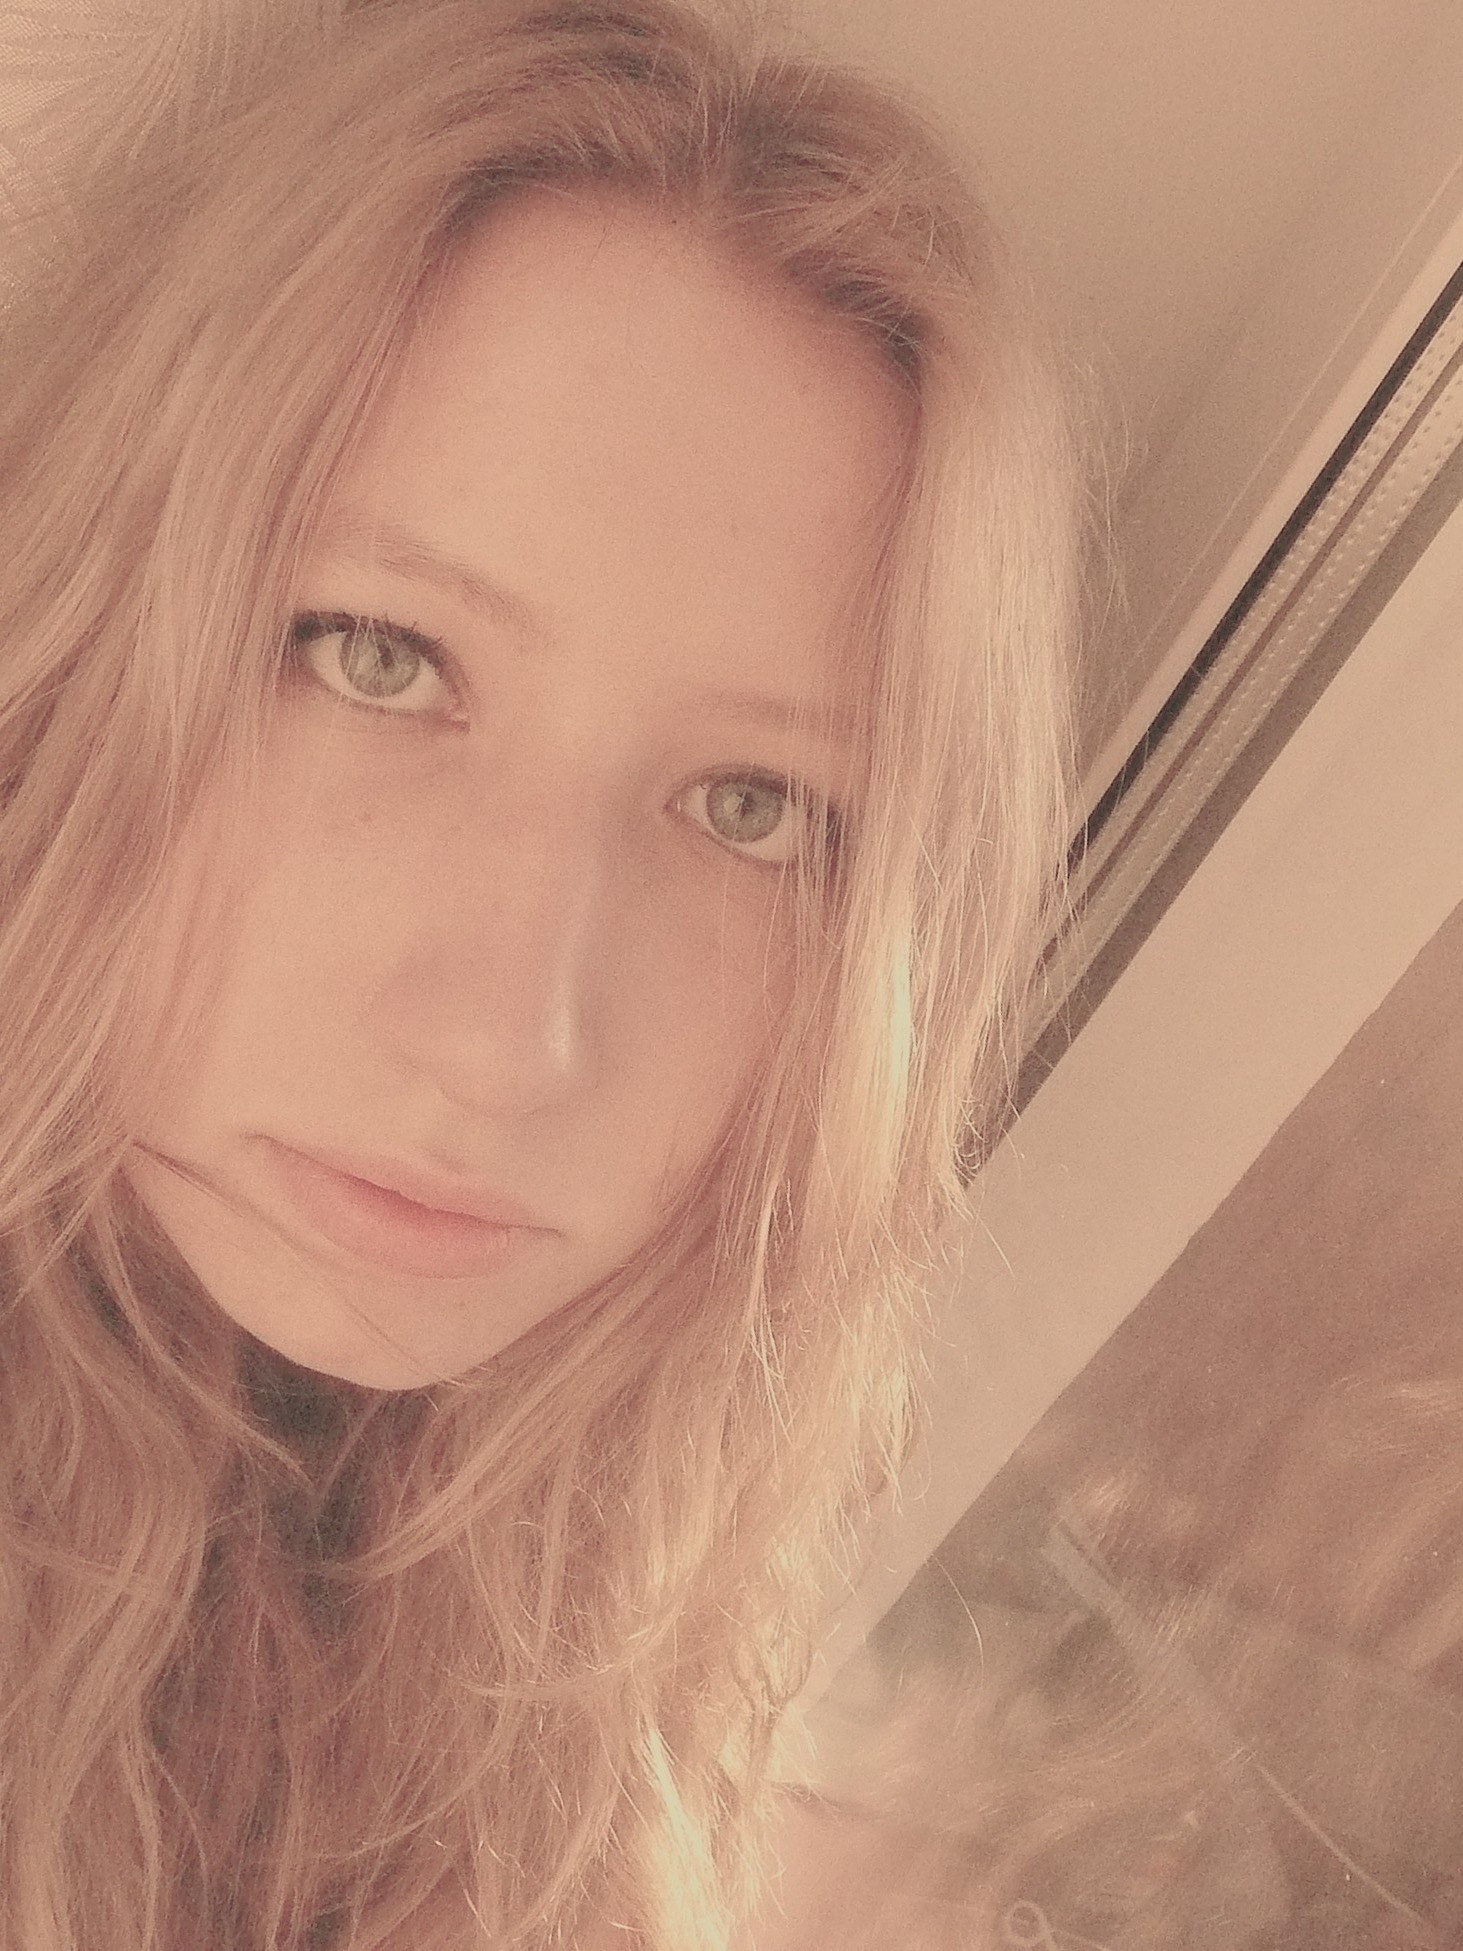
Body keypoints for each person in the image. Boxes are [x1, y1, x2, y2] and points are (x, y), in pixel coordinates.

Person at [0, 1, 1080, 1945]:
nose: (510, 1045)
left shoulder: (621, 1739)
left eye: (753, 807)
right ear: (83, 628)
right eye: (379, 657)